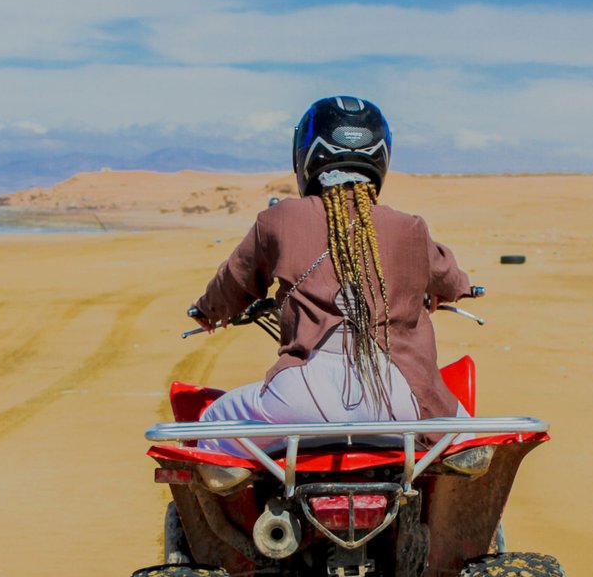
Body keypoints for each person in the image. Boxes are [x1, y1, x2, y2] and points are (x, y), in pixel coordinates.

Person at [190, 96, 472, 455]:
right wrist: (460, 289)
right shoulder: (411, 227)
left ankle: (226, 513)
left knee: (211, 426)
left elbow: (233, 282)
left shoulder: (279, 219)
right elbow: (449, 277)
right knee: (468, 447)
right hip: (403, 402)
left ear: (304, 155)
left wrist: (207, 311)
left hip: (301, 401)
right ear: (381, 158)